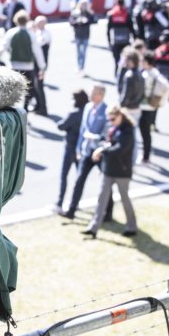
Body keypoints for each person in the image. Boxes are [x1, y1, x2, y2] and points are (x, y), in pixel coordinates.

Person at [82, 105, 137, 239]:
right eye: (109, 119)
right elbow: (103, 139)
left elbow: (120, 149)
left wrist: (103, 150)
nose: (111, 122)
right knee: (102, 198)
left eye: (113, 119)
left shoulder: (128, 130)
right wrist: (101, 145)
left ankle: (131, 226)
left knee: (124, 198)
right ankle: (93, 227)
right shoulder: (111, 127)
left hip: (122, 171)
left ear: (120, 116)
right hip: (108, 169)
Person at [59, 84, 109, 220]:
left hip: (100, 152)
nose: (91, 96)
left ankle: (108, 213)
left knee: (106, 182)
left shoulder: (106, 111)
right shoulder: (88, 107)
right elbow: (83, 130)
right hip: (87, 151)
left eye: (94, 94)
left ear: (101, 95)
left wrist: (96, 138)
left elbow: (107, 133)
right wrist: (78, 148)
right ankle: (71, 210)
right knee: (79, 180)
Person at [3, 10, 47, 115]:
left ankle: (12, 109)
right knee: (27, 89)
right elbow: (37, 51)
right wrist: (42, 66)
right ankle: (25, 108)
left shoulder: (11, 33)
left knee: (13, 89)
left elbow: (4, 47)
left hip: (14, 65)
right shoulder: (30, 34)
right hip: (28, 67)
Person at [55, 89, 89, 212]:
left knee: (64, 175)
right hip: (82, 149)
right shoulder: (88, 112)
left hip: (70, 148)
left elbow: (61, 126)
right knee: (79, 177)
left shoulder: (73, 114)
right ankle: (76, 202)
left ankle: (59, 203)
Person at [139, 54, 169, 164]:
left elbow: (166, 86)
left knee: (145, 132)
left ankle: (146, 156)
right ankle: (145, 155)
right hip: (146, 106)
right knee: (145, 132)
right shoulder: (146, 72)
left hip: (147, 107)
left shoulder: (152, 74)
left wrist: (160, 102)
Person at [107, 0, 134, 74]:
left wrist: (109, 41)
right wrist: (134, 38)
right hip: (125, 41)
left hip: (115, 41)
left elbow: (108, 30)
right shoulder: (127, 14)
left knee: (116, 61)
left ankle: (117, 75)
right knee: (126, 60)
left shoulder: (112, 14)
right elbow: (131, 28)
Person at [69, 0, 96, 75]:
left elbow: (94, 21)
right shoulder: (75, 13)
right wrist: (77, 21)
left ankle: (82, 67)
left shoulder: (89, 13)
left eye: (85, 4)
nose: (84, 6)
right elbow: (71, 22)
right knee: (78, 52)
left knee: (83, 52)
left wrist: (87, 19)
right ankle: (78, 66)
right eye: (82, 4)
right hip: (77, 35)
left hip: (86, 35)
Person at [33, 15, 51, 82]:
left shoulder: (47, 32)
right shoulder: (34, 31)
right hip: (35, 54)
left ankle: (41, 80)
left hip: (43, 53)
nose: (40, 24)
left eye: (41, 22)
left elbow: (42, 42)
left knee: (42, 67)